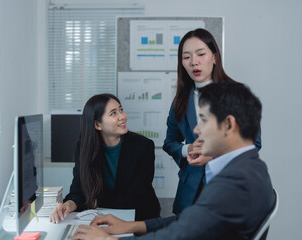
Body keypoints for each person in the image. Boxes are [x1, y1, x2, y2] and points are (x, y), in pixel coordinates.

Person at [72, 82, 275, 240]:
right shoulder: (250, 168)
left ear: (229, 124)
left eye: (203, 120)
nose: (196, 130)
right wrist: (132, 226)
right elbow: (188, 222)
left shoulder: (235, 183)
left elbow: (177, 236)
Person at [163, 28, 262, 214]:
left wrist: (213, 156)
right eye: (186, 57)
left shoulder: (237, 93)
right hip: (189, 194)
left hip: (228, 188)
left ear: (215, 57)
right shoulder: (180, 100)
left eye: (201, 54)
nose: (194, 62)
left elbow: (253, 144)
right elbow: (169, 143)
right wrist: (188, 149)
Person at [49, 94, 160, 222]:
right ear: (97, 125)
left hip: (140, 218)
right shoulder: (84, 148)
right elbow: (78, 190)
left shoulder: (143, 146)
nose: (122, 116)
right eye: (113, 113)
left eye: (121, 110)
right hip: (104, 217)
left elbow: (135, 196)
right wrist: (67, 205)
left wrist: (94, 200)